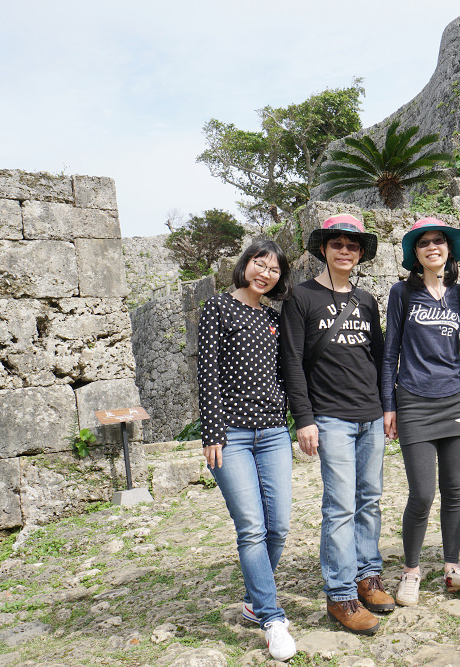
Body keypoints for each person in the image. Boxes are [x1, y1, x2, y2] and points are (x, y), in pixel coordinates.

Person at [279, 214, 392, 635]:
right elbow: (290, 361)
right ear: (324, 250)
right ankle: (341, 594)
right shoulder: (301, 298)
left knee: (370, 500)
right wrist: (304, 419)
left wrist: (387, 407)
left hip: (370, 416)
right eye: (337, 244)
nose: (345, 251)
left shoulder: (366, 300)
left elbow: (378, 357)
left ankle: (368, 577)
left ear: (360, 253)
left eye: (353, 245)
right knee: (340, 506)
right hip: (330, 417)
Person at [197, 239, 297, 661]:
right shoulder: (217, 308)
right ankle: (272, 618)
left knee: (280, 527)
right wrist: (212, 434)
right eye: (260, 263)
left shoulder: (274, 318)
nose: (266, 273)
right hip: (232, 436)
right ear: (245, 265)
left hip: (274, 433)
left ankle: (255, 598)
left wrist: (294, 418)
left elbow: (286, 371)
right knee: (252, 527)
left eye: (274, 269)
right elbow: (207, 373)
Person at [382, 218, 460, 606]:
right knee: (422, 494)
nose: (432, 246)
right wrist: (388, 404)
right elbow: (390, 351)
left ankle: (452, 568)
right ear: (415, 253)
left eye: (438, 240)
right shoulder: (401, 293)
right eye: (423, 243)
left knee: (453, 491)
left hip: (455, 401)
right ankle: (410, 571)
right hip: (413, 402)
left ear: (449, 249)